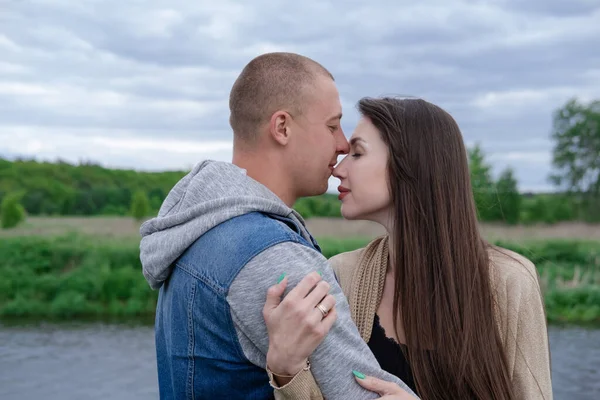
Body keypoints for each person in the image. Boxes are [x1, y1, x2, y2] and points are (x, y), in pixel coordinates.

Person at [139, 53, 417, 399]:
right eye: (332, 125)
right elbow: (362, 392)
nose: (342, 143)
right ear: (282, 127)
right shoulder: (271, 258)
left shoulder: (198, 230)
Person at [264, 97, 553, 399]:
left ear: (410, 164)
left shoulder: (511, 281)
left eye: (357, 153)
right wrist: (287, 368)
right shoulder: (342, 273)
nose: (338, 169)